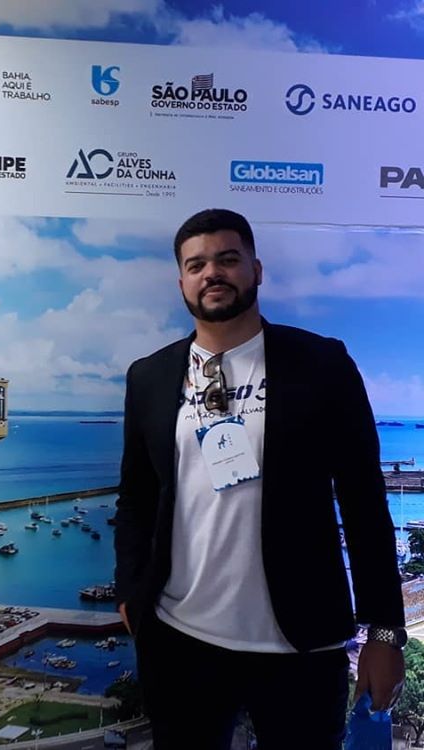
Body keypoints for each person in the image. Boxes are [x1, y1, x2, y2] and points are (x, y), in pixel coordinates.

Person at [113, 208, 406, 749]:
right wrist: (130, 591)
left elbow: (365, 503)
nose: (212, 273)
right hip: (180, 640)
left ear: (256, 270)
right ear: (182, 283)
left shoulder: (322, 364)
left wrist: (385, 633)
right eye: (196, 264)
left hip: (300, 645)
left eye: (228, 259)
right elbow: (136, 495)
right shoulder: (149, 376)